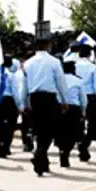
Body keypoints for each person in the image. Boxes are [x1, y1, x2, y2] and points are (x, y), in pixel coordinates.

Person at [23, 35, 69, 176]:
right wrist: (64, 100)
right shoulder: (54, 62)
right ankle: (39, 156)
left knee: (39, 130)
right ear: (48, 45)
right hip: (49, 98)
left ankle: (42, 162)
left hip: (34, 98)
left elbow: (24, 85)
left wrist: (24, 103)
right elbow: (61, 82)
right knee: (49, 131)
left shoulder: (28, 63)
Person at [57, 61, 86, 167]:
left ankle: (62, 150)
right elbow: (83, 99)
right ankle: (67, 151)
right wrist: (83, 112)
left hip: (59, 108)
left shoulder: (57, 81)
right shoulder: (78, 81)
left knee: (61, 132)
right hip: (74, 109)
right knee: (74, 133)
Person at [76, 44, 96, 161]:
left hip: (76, 97)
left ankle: (81, 142)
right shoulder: (92, 67)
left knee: (79, 124)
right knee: (92, 124)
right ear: (90, 54)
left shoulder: (74, 65)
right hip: (90, 96)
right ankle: (85, 144)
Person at [0, 55, 21, 158]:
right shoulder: (11, 75)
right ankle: (6, 147)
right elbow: (15, 91)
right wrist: (19, 105)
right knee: (10, 126)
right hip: (9, 100)